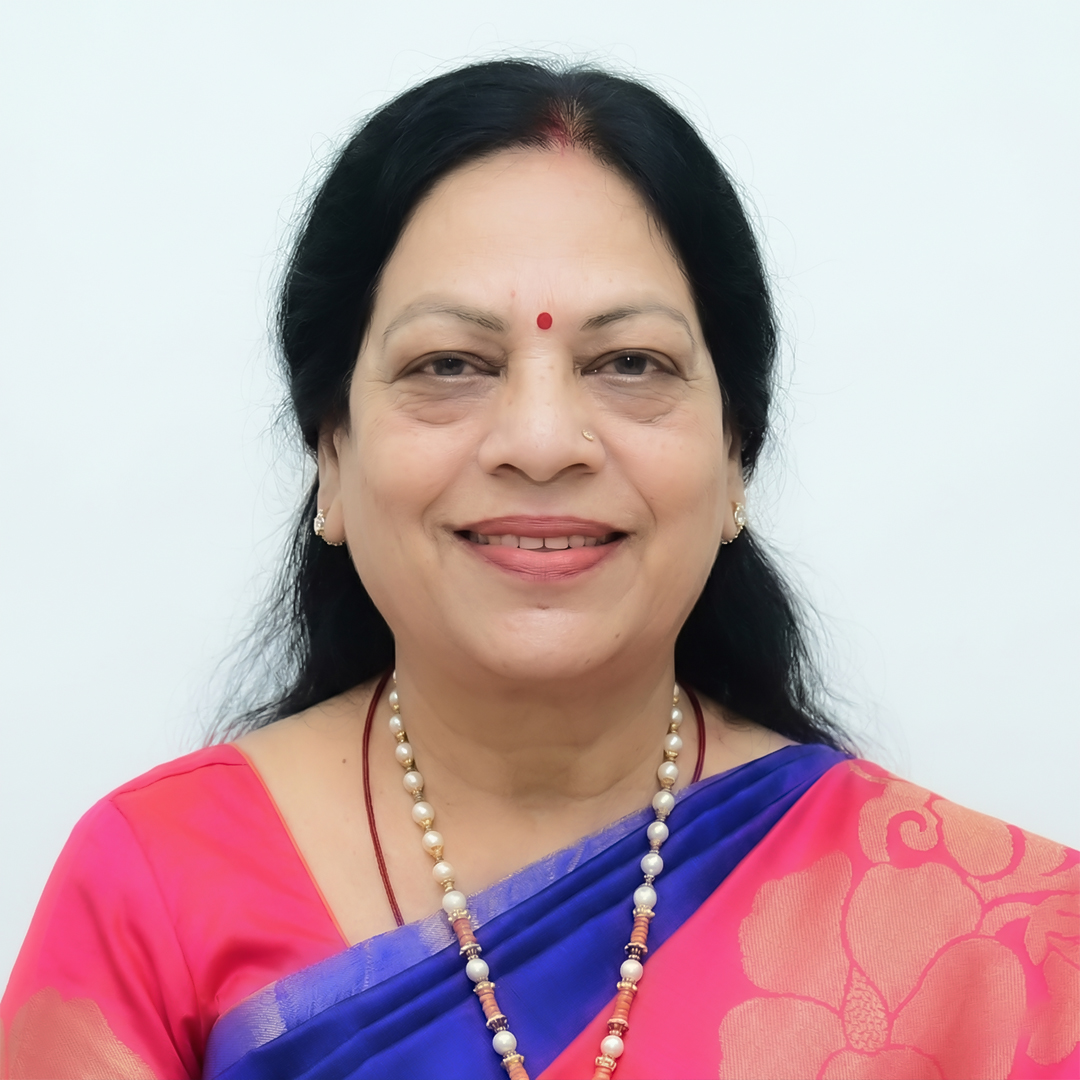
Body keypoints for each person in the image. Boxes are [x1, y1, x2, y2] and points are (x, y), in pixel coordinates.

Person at [1, 58, 1076, 1080]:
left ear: (736, 456)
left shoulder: (996, 946)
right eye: (451, 364)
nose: (544, 440)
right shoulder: (156, 886)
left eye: (630, 363)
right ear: (330, 452)